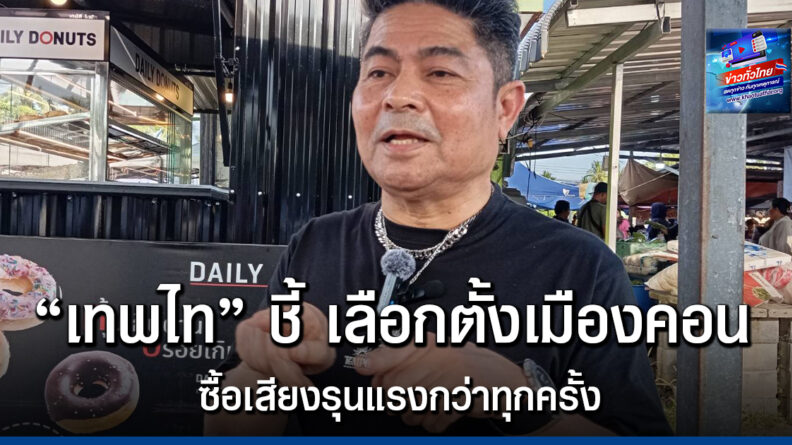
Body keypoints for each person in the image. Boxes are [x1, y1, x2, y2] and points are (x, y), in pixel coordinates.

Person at [206, 0, 670, 436]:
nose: (398, 96)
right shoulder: (315, 244)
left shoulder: (580, 268)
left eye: (440, 72)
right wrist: (263, 373)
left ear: (505, 108)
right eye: (379, 72)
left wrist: (522, 401)